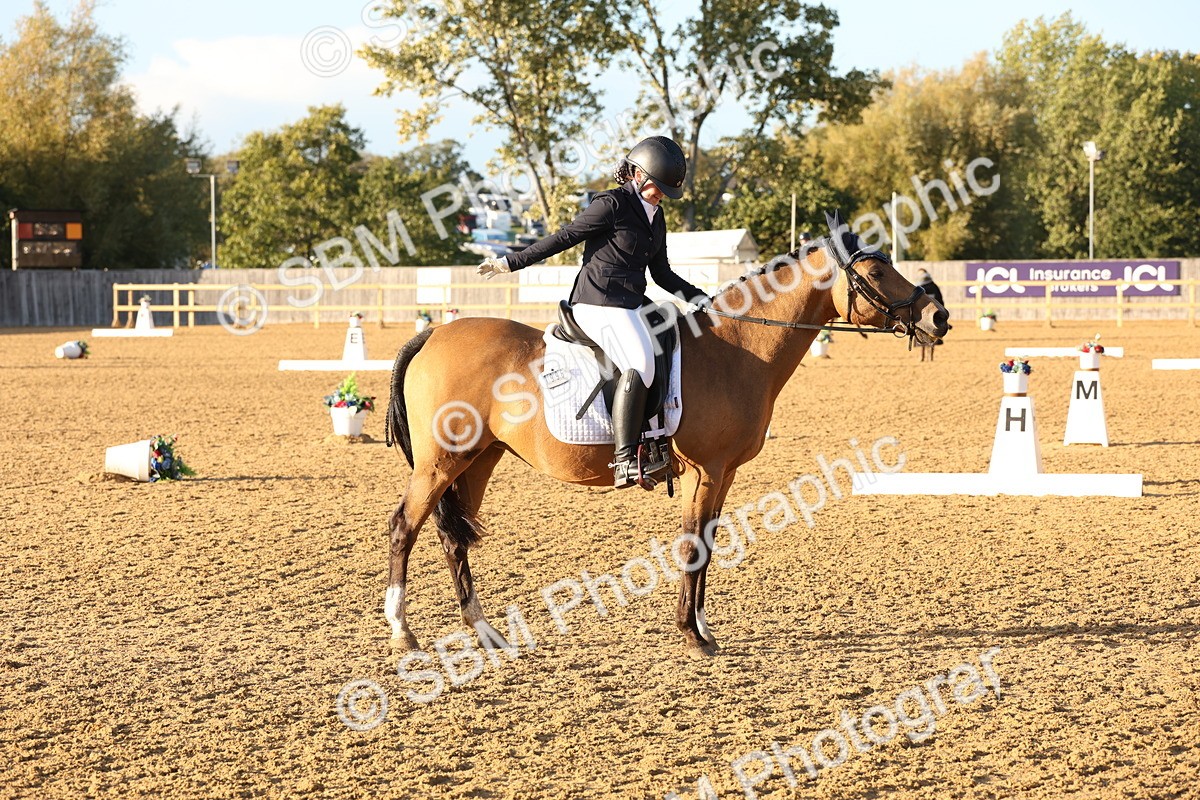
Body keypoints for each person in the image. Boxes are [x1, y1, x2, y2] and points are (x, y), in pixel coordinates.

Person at [477, 136, 710, 489]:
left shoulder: (656, 216)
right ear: (637, 175)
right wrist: (510, 262)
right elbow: (564, 237)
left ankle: (657, 438)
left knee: (671, 332)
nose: (660, 195)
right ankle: (625, 459)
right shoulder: (612, 204)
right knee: (640, 363)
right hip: (597, 302)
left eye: (666, 191)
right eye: (657, 188)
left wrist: (702, 299)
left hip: (632, 303)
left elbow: (661, 273)